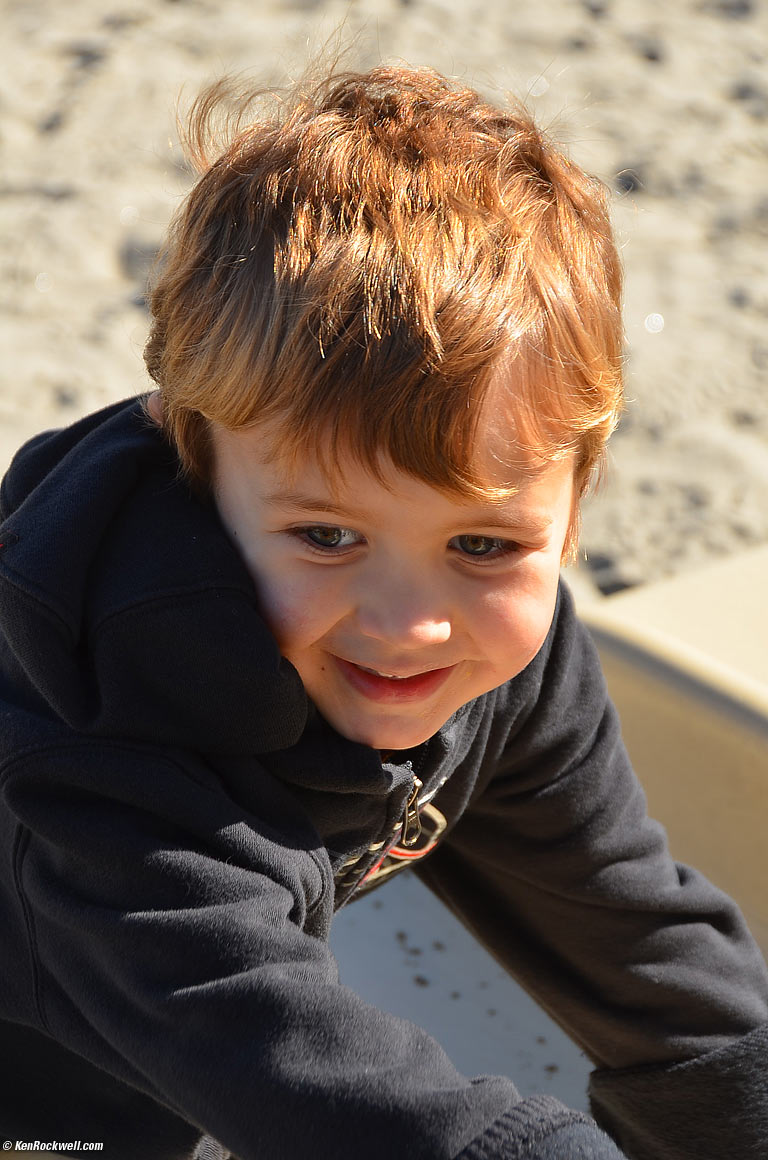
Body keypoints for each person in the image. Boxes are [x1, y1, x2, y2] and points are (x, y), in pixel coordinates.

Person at [0, 63, 766, 1160]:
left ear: (574, 506)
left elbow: (639, 945)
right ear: (194, 460)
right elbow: (304, 1076)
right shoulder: (98, 739)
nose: (412, 624)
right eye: (327, 535)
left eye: (484, 543)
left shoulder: (510, 657)